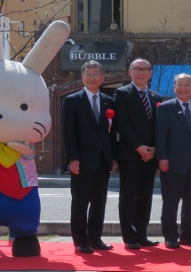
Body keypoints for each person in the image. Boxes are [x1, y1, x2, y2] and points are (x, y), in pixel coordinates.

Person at [61, 60, 118, 254]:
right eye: (88, 74)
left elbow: (111, 133)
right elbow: (68, 132)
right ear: (82, 77)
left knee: (99, 202)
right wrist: (72, 158)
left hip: (103, 160)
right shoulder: (71, 100)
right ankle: (80, 241)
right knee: (80, 201)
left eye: (96, 74)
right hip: (82, 161)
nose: (92, 77)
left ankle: (95, 238)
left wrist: (112, 157)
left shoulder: (108, 101)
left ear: (102, 78)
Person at [113, 58, 163, 250]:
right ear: (130, 71)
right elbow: (122, 124)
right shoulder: (122, 93)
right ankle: (129, 236)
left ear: (151, 73)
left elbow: (160, 125)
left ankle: (142, 234)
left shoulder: (156, 97)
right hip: (130, 154)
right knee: (129, 196)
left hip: (150, 156)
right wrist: (139, 147)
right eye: (137, 69)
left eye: (145, 69)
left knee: (145, 196)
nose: (141, 72)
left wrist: (155, 149)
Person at [156, 73, 191, 248]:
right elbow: (160, 136)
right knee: (170, 201)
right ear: (174, 87)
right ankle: (170, 235)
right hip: (172, 162)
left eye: (187, 85)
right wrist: (162, 157)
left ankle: (188, 234)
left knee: (190, 201)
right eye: (179, 85)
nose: (183, 88)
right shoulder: (165, 108)